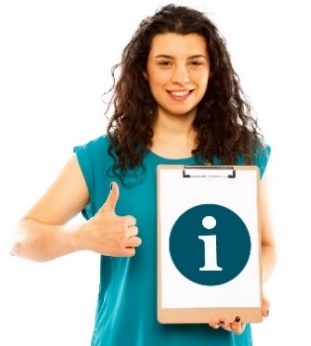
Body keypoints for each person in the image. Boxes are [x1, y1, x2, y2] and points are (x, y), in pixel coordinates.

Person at [11, 3, 276, 346]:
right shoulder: (102, 158)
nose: (181, 77)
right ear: (143, 72)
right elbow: (21, 239)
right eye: (165, 63)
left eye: (195, 62)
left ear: (214, 71)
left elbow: (266, 247)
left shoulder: (242, 153)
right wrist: (80, 237)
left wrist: (244, 290)